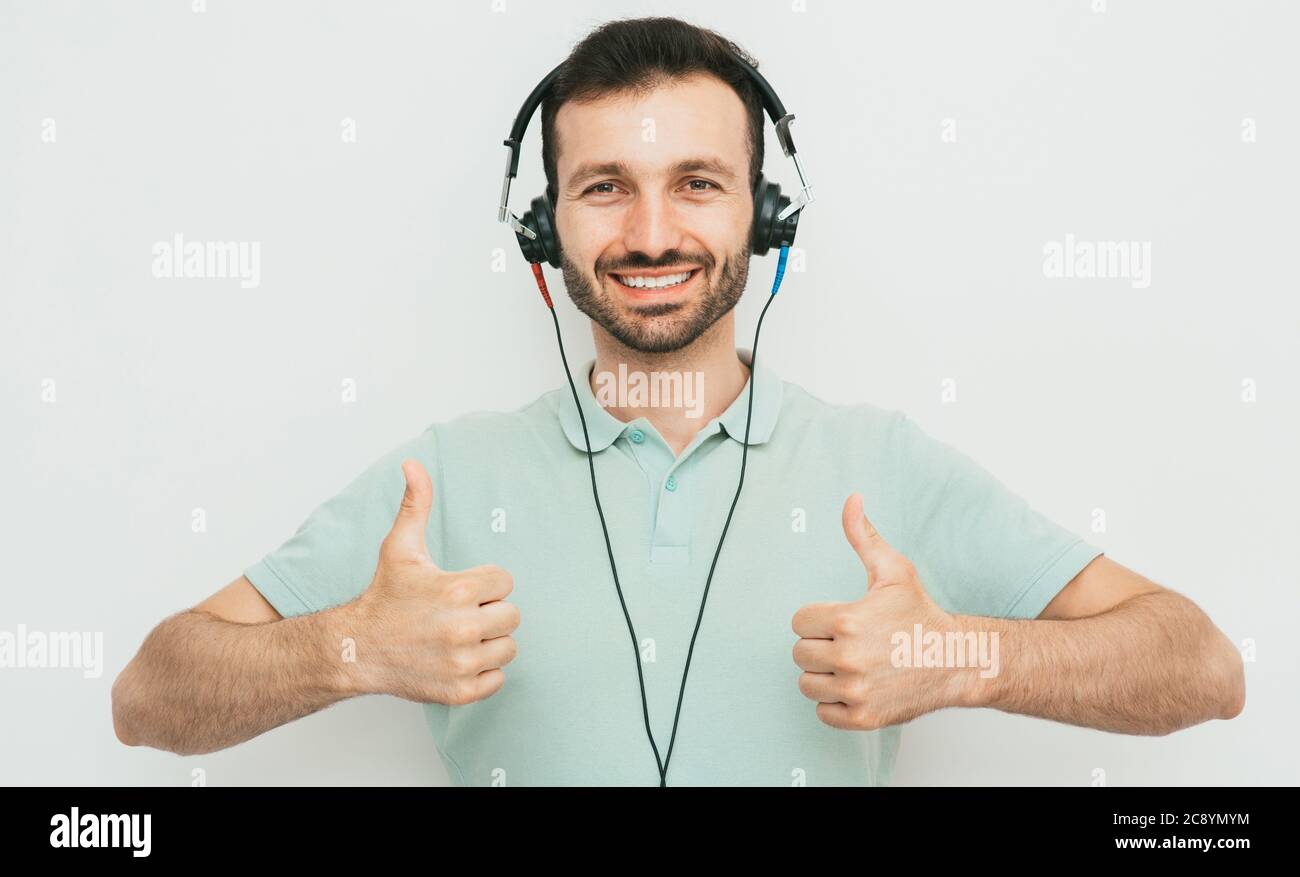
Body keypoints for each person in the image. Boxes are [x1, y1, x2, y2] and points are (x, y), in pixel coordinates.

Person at [111, 16, 1244, 787]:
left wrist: (966, 654)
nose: (652, 234)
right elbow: (148, 696)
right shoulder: (442, 477)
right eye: (605, 189)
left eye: (696, 184)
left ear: (765, 213)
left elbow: (1198, 665)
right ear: (544, 229)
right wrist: (347, 648)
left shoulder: (883, 463)